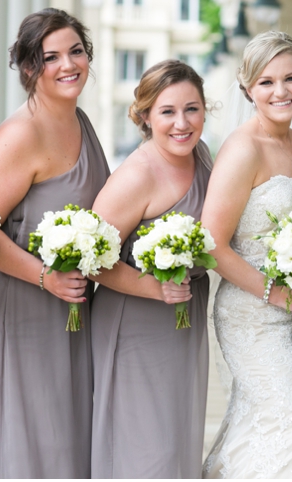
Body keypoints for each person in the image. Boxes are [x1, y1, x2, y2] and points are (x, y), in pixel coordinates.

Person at [0, 9, 109, 478]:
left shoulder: (80, 120)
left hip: (69, 306)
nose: (69, 64)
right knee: (31, 438)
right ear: (30, 69)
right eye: (51, 57)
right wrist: (46, 278)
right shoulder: (19, 136)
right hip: (22, 304)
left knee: (66, 436)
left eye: (76, 51)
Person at [201, 31, 292, 478]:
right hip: (253, 315)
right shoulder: (243, 149)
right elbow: (212, 244)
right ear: (248, 90)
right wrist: (279, 295)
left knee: (264, 426)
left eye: (291, 78)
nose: (280, 91)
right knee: (291, 426)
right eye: (266, 82)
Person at [89, 60, 212, 478]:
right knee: (145, 445)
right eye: (167, 112)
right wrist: (155, 290)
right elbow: (93, 260)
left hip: (182, 315)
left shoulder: (203, 156)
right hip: (135, 321)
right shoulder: (136, 176)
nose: (182, 123)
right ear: (145, 116)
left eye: (192, 109)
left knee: (174, 437)